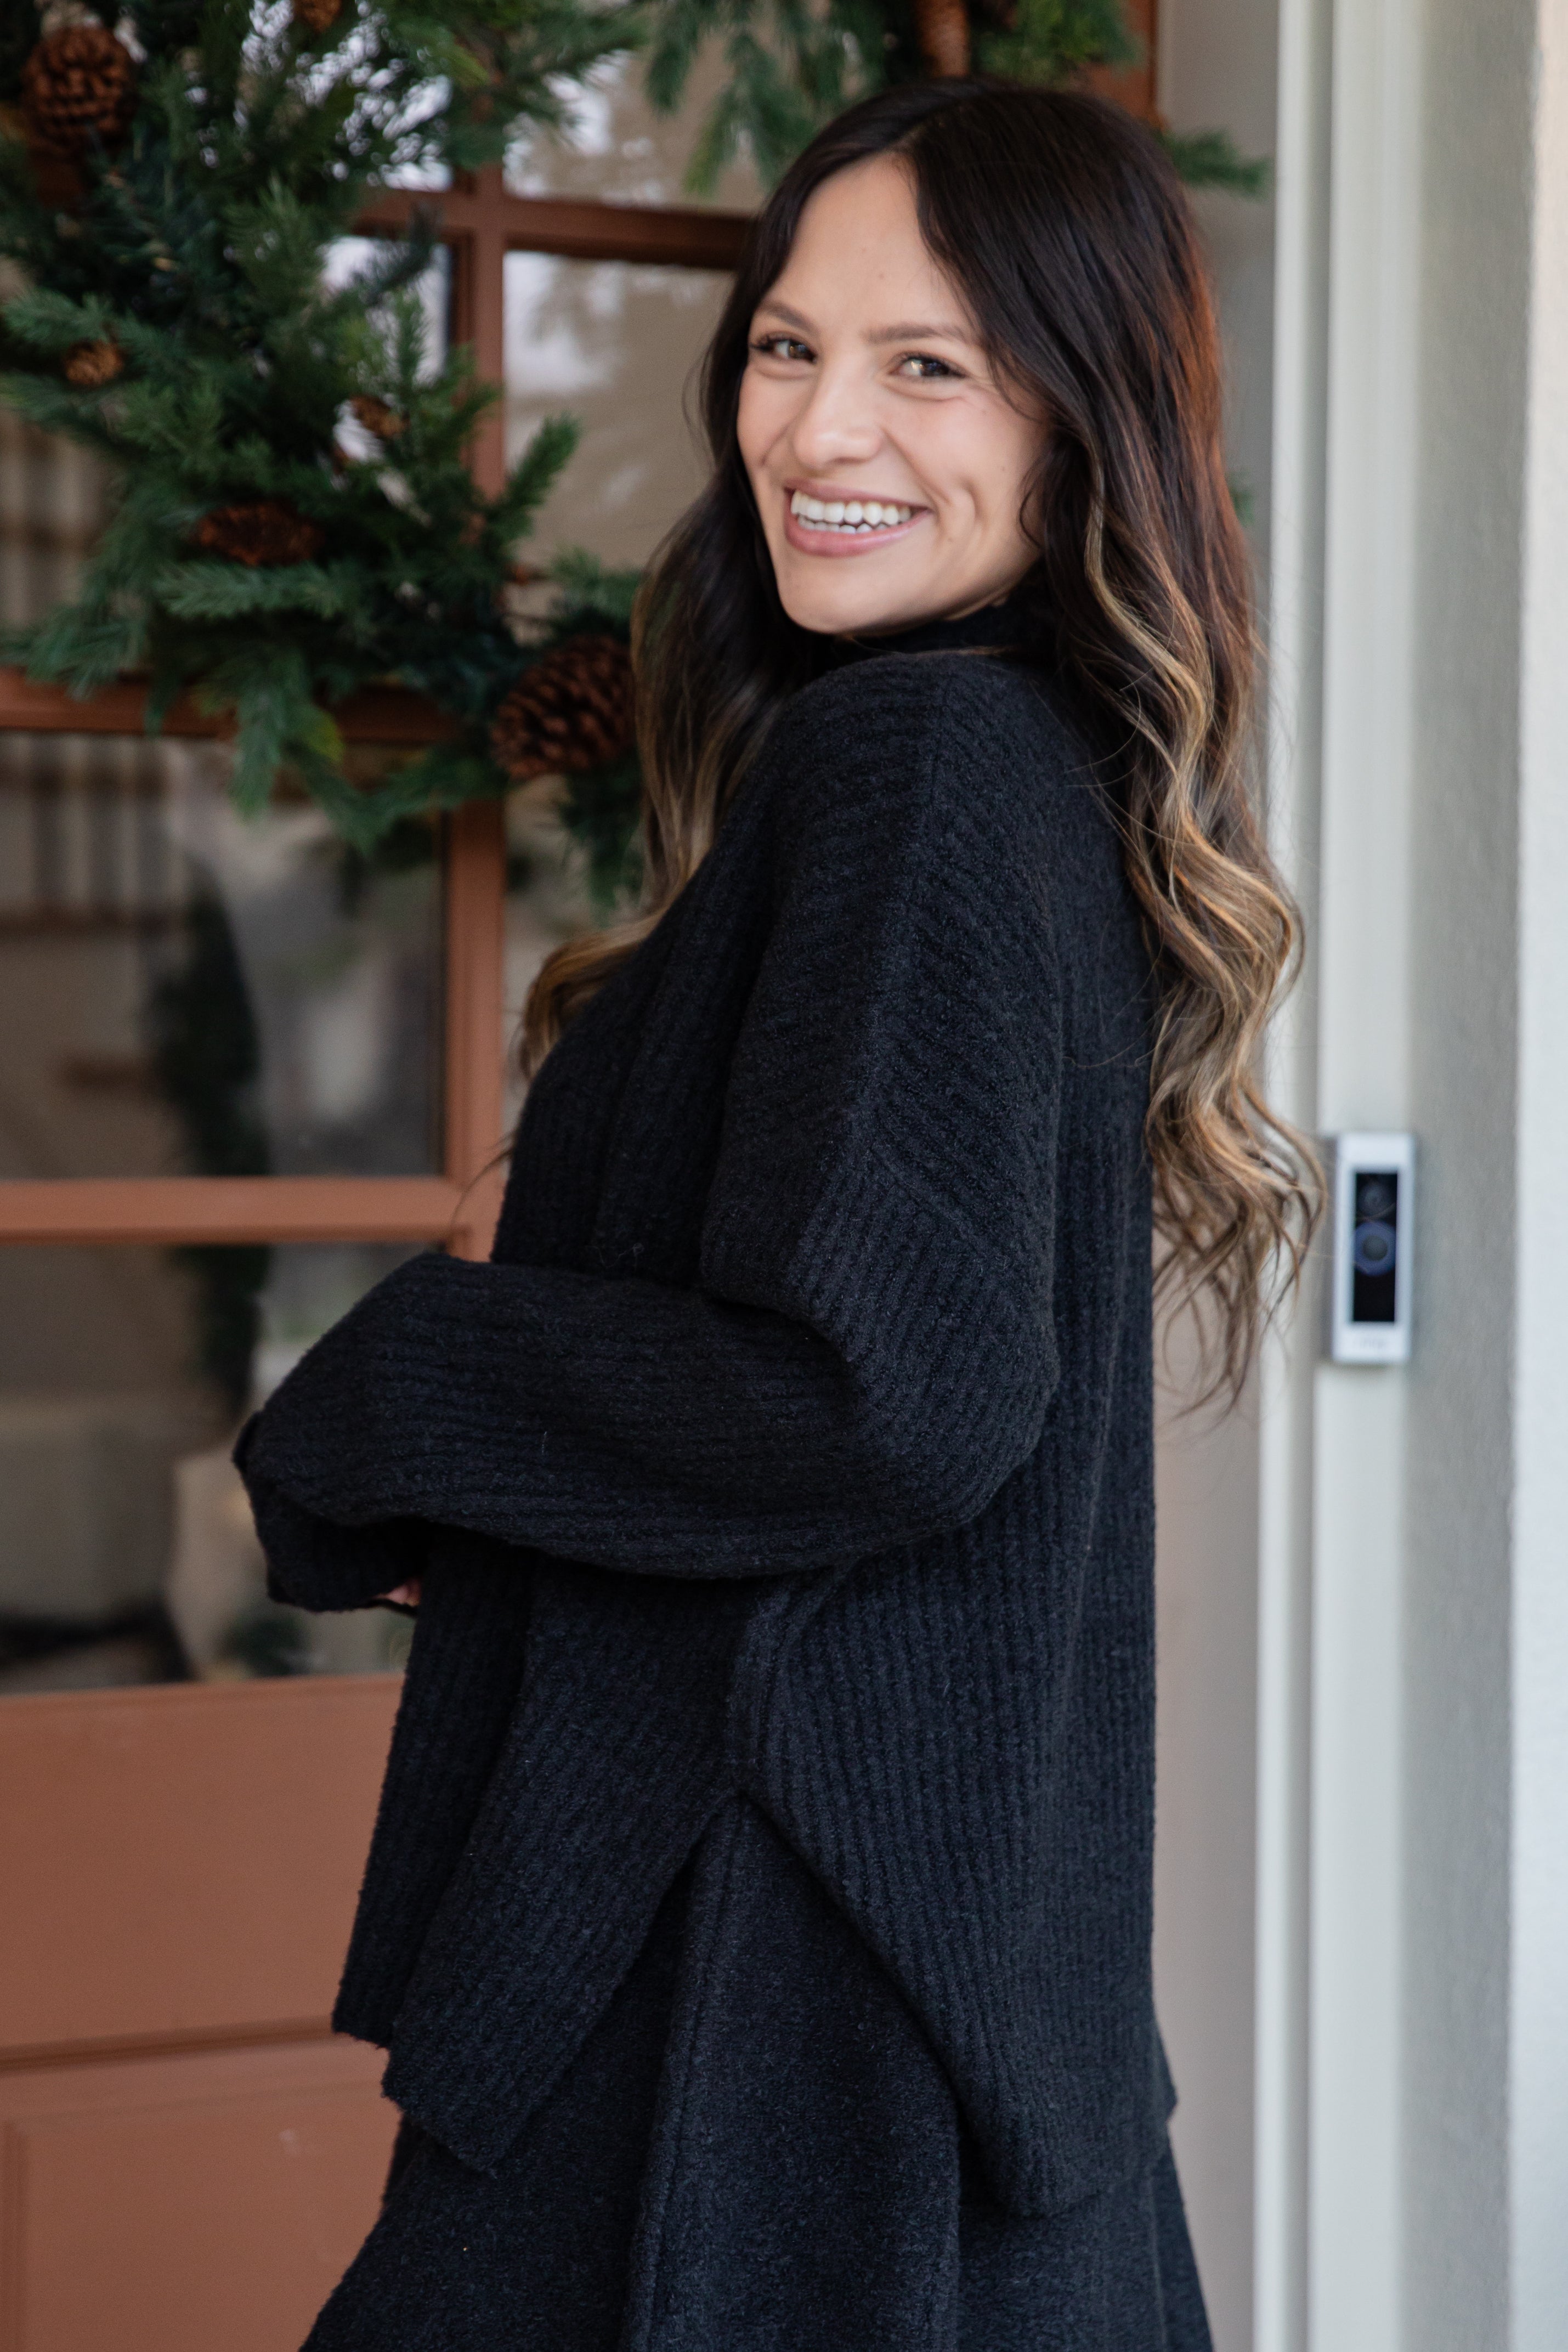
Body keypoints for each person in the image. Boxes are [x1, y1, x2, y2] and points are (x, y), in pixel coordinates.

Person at [237, 77, 1317, 2352]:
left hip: (761, 1975)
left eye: (929, 363)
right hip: (864, 1967)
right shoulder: (1003, 766)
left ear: (1080, 423)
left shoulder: (918, 767)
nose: (820, 426)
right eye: (784, 346)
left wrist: (406, 1392)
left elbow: (881, 1391)